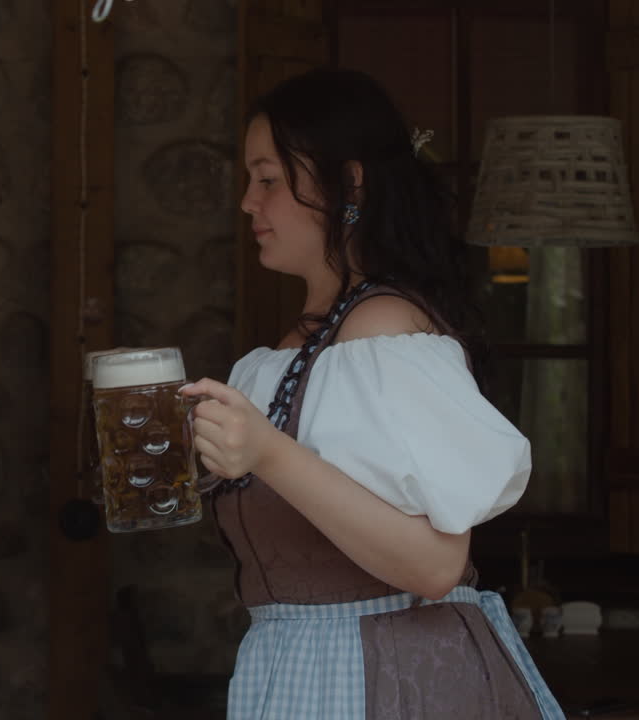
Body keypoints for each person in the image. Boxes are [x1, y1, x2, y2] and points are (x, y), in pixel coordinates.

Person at [179, 68, 564, 719]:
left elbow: (436, 565)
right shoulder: (298, 348)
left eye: (268, 180)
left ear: (348, 184)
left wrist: (268, 453)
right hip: (299, 672)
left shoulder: (382, 330)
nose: (248, 202)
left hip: (385, 678)